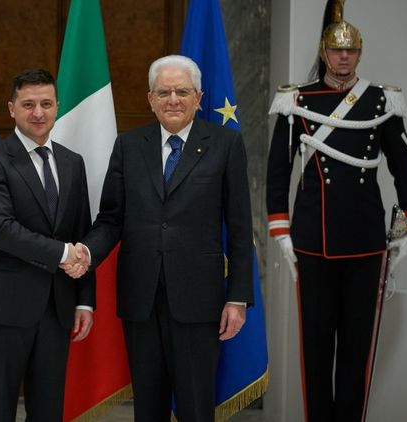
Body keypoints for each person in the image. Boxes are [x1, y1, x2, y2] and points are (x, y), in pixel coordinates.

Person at [65, 55, 253, 421]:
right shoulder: (129, 145)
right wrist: (86, 251)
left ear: (198, 97)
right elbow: (111, 219)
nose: (173, 100)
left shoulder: (225, 144)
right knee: (148, 407)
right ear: (150, 99)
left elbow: (241, 227)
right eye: (163, 92)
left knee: (196, 406)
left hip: (199, 300)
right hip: (142, 298)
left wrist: (238, 297)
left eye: (182, 91)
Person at [266, 0, 407, 420]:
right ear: (324, 52)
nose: (344, 57)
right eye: (336, 50)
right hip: (313, 241)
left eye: (351, 50)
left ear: (359, 53)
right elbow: (278, 171)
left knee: (357, 349)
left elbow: (402, 166)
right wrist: (281, 230)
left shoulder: (381, 100)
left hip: (366, 239)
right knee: (316, 350)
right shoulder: (296, 100)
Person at [0, 68, 95, 421]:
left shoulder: (72, 162)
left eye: (46, 104)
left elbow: (81, 231)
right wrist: (63, 253)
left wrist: (85, 300)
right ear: (12, 109)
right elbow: (1, 230)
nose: (38, 113)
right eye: (28, 104)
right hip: (5, 307)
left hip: (58, 308)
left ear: (57, 107)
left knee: (48, 409)